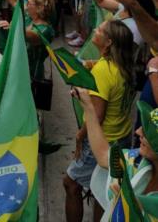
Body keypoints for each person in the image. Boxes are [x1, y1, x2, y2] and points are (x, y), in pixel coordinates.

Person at [63, 19, 136, 222]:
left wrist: (80, 136)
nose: (95, 30)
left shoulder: (103, 71)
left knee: (70, 183)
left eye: (100, 30)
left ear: (109, 42)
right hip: (121, 137)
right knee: (102, 190)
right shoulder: (123, 66)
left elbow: (97, 115)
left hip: (102, 141)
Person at [74, 89, 158, 222]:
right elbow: (103, 155)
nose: (138, 131)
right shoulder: (138, 162)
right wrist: (88, 106)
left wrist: (129, 203)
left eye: (148, 133)